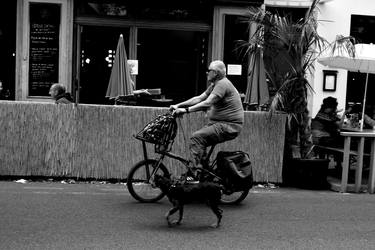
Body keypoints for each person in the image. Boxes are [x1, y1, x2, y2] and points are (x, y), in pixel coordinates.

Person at [170, 60, 244, 170]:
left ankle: (195, 173)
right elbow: (199, 98)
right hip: (219, 124)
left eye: (208, 70)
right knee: (200, 140)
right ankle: (205, 172)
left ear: (216, 73)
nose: (206, 73)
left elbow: (207, 103)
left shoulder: (222, 84)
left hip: (228, 126)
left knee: (196, 137)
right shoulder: (215, 85)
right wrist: (178, 105)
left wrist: (185, 110)